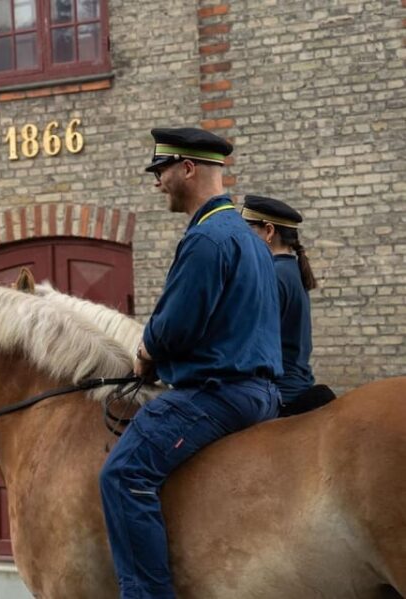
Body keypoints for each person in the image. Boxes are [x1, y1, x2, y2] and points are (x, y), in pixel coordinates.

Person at [98, 127, 283, 599]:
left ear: (187, 168)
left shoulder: (206, 239)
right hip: (262, 393)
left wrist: (145, 352)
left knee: (122, 475)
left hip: (217, 396)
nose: (156, 182)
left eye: (161, 170)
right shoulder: (250, 240)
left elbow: (175, 327)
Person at [241, 195, 336, 416]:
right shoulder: (290, 270)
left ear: (269, 231)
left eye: (248, 231)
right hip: (296, 384)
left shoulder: (272, 275)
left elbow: (249, 344)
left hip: (279, 393)